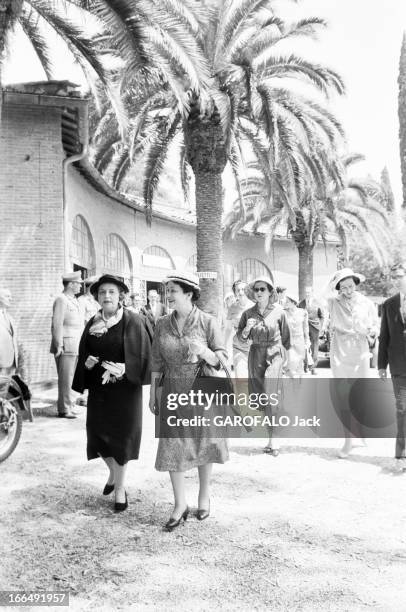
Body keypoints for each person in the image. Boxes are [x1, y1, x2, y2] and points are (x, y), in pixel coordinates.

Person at [149, 271, 228, 531]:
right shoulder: (161, 323)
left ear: (188, 293)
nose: (168, 295)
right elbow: (157, 361)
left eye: (173, 290)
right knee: (173, 445)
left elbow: (221, 360)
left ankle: (204, 496)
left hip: (202, 387)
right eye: (167, 290)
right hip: (172, 387)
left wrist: (204, 351)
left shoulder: (207, 321)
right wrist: (153, 394)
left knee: (203, 441)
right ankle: (179, 504)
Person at [72, 274, 151, 512]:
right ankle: (113, 474)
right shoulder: (93, 322)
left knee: (121, 440)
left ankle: (120, 489)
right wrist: (88, 364)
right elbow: (84, 352)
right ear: (97, 296)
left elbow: (145, 353)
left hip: (125, 391)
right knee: (97, 438)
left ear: (120, 296)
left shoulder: (133, 320)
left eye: (112, 292)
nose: (107, 296)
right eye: (103, 292)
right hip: (100, 389)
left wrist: (127, 368)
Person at [328, 268, 379, 457]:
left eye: (350, 286)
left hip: (360, 350)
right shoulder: (333, 302)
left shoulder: (367, 303)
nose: (348, 290)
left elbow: (375, 325)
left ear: (356, 284)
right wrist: (335, 281)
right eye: (343, 287)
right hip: (340, 349)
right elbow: (318, 296)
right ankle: (348, 440)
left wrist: (371, 332)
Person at [237, 275, 291, 455]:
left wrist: (285, 362)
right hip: (255, 356)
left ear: (270, 292)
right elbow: (241, 338)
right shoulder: (247, 313)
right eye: (256, 289)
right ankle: (271, 438)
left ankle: (274, 440)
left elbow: (286, 339)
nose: (258, 292)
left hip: (274, 355)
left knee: (271, 394)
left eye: (262, 289)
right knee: (262, 398)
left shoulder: (279, 312)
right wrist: (246, 329)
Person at [378, 262, 406, 471]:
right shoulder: (388, 304)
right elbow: (384, 335)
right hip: (399, 367)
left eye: (401, 275)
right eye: (396, 276)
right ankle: (401, 455)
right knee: (402, 409)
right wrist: (381, 365)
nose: (400, 279)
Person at [50, 272, 84, 419]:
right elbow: (57, 324)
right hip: (66, 344)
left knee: (72, 377)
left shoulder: (73, 300)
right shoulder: (61, 299)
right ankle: (64, 409)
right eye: (78, 283)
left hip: (75, 344)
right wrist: (58, 345)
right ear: (71, 284)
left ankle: (70, 405)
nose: (81, 285)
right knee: (66, 378)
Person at [225, 280, 254, 377]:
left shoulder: (256, 306)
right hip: (239, 348)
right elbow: (228, 328)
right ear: (235, 293)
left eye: (243, 289)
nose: (241, 292)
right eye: (238, 290)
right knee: (241, 378)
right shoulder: (232, 308)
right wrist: (223, 346)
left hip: (255, 349)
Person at [299, 286, 324, 374]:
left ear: (312, 293)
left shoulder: (318, 303)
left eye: (309, 292)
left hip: (315, 327)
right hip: (303, 328)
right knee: (304, 346)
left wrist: (320, 327)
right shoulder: (301, 303)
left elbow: (322, 316)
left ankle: (313, 368)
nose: (307, 294)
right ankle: (305, 366)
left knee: (314, 347)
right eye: (306, 292)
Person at [284, 294, 310, 378]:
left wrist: (307, 341)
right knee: (291, 362)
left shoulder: (303, 312)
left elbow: (305, 328)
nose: (286, 303)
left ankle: (300, 387)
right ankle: (292, 385)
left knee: (300, 364)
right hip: (289, 342)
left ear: (293, 302)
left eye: (287, 302)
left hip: (300, 341)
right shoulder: (284, 313)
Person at [0, 287, 19, 377]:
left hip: (12, 364)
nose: (10, 299)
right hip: (1, 364)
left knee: (6, 390)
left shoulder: (10, 318)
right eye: (7, 296)